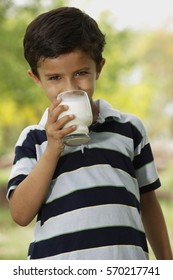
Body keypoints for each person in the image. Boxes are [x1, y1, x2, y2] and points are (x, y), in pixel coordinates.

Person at [7, 6, 172, 260]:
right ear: (36, 78)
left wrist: (166, 263)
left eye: (81, 73)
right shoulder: (34, 138)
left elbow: (148, 203)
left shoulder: (129, 129)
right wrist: (53, 149)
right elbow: (20, 214)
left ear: (99, 68)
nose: (70, 87)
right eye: (54, 78)